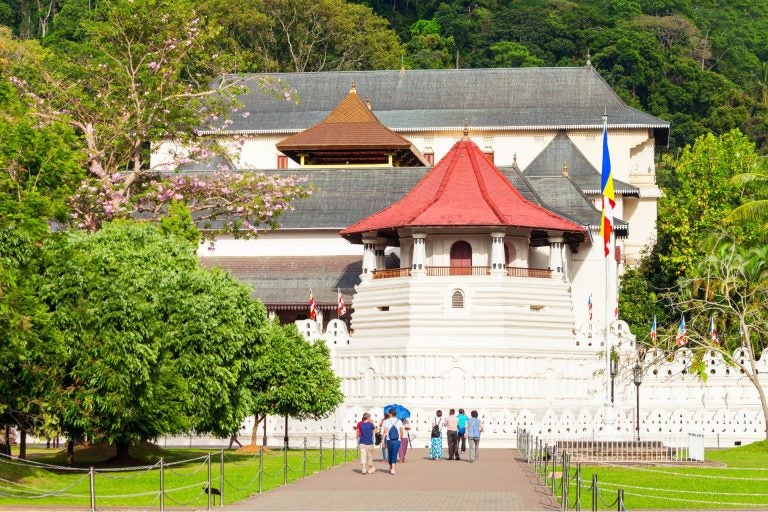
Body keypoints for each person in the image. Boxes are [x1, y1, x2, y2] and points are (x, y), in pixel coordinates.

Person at [382, 409, 403, 475]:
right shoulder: (399, 421)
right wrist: (400, 438)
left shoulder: (387, 421)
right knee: (394, 453)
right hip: (397, 440)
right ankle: (392, 468)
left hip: (389, 439)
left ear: (390, 414)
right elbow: (401, 430)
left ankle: (392, 467)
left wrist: (382, 440)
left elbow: (385, 431)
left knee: (390, 453)